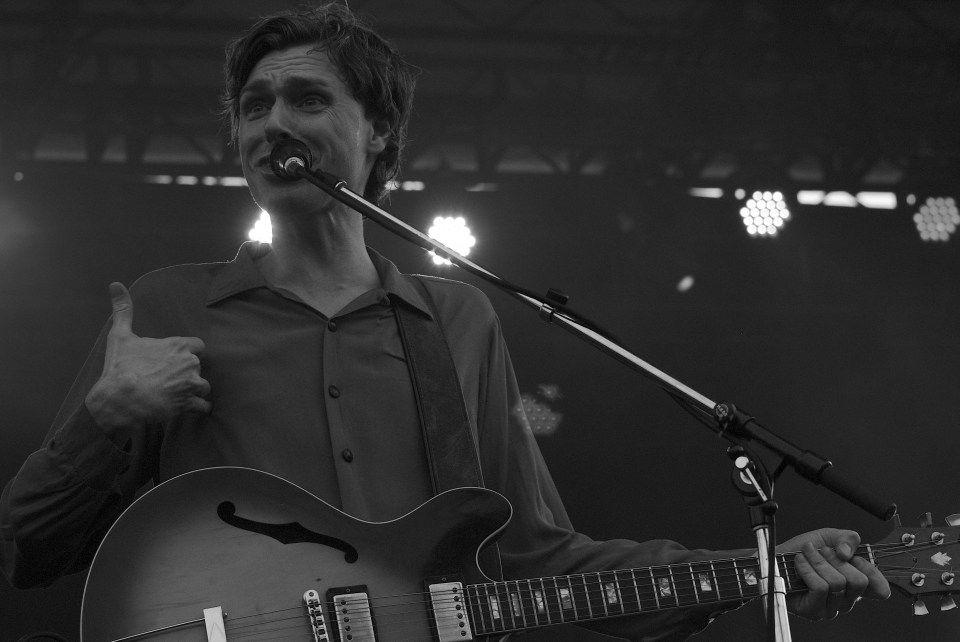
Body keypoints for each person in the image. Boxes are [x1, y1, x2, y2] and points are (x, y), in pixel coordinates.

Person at [0, 4, 888, 640]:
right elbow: (23, 552)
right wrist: (100, 423)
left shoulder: (455, 318)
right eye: (253, 105)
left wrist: (758, 567)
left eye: (307, 99)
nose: (272, 122)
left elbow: (536, 559)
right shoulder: (167, 306)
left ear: (381, 131)